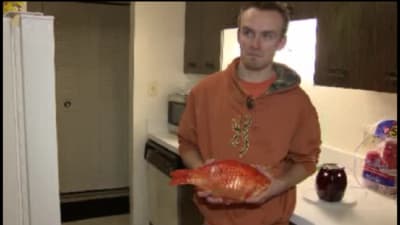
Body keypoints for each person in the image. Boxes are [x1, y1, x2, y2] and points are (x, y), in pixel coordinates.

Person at [177, 2, 321, 225]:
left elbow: (307, 160)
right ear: (238, 35)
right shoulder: (203, 91)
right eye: (248, 32)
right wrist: (206, 176)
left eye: (267, 35)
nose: (255, 44)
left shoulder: (298, 102)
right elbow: (187, 144)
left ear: (281, 42)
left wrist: (278, 186)